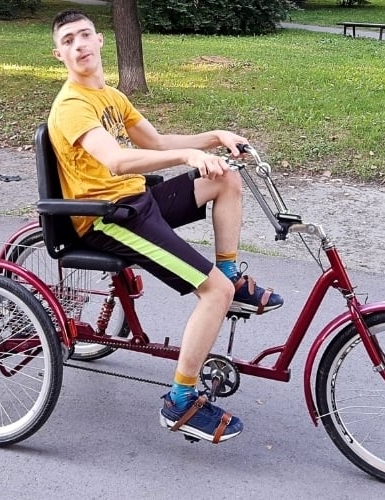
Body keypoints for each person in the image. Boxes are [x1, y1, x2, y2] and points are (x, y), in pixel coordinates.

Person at [48, 9, 283, 444]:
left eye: (84, 35)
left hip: (137, 201)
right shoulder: (71, 106)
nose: (79, 45)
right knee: (214, 293)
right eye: (68, 40)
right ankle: (181, 401)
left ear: (99, 41)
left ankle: (230, 272)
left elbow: (155, 142)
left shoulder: (111, 97)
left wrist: (215, 137)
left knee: (225, 179)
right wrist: (188, 158)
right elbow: (117, 160)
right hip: (108, 217)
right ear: (59, 54)